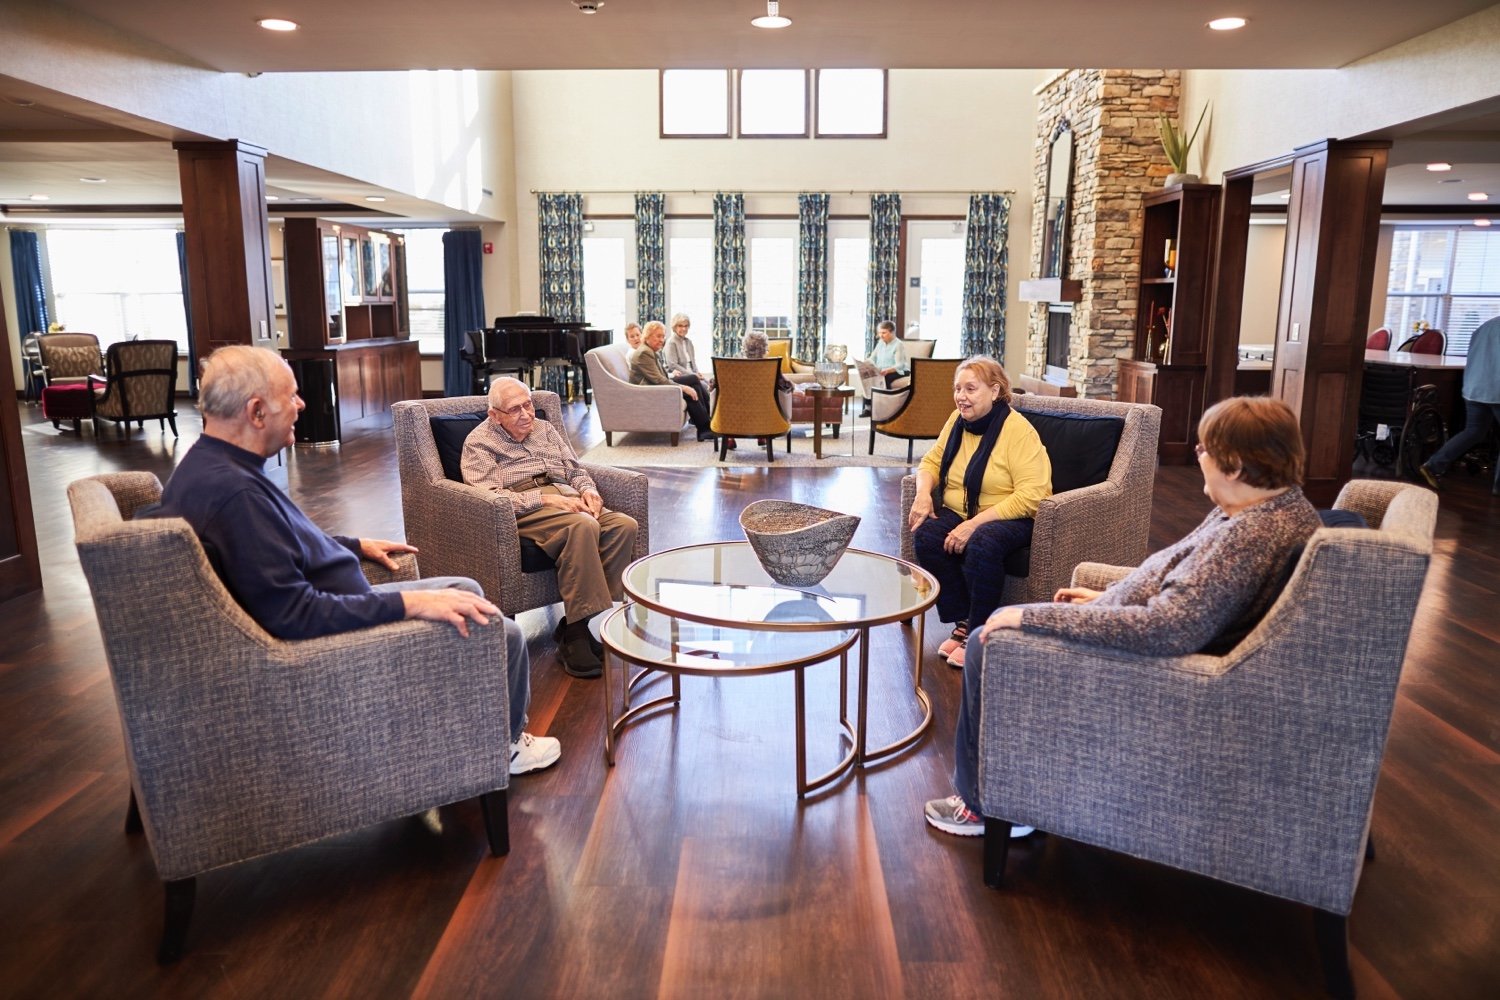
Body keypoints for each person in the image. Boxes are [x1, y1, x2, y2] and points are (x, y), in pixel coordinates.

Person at [923, 396, 1322, 839]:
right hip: (1129, 621)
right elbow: (1178, 582)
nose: (1199, 458)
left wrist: (1034, 620)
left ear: (1234, 464)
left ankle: (981, 804)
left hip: (1145, 663)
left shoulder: (1249, 538)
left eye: (1204, 450)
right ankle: (1025, 786)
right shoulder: (1260, 510)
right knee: (999, 627)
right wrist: (1106, 595)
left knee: (985, 642)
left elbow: (1165, 627)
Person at [154, 346, 558, 776]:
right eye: (291, 396)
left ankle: (463, 729)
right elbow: (296, 613)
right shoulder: (235, 495)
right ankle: (502, 746)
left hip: (340, 601)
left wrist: (350, 545)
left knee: (467, 590)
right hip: (336, 640)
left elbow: (275, 544)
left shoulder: (215, 466)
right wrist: (410, 605)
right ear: (256, 412)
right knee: (505, 634)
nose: (301, 404)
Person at [462, 377, 639, 678]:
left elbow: (574, 469)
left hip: (567, 496)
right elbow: (488, 496)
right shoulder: (478, 443)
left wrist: (588, 491)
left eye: (528, 404)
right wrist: (545, 500)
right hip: (524, 504)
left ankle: (580, 625)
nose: (526, 414)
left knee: (623, 525)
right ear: (495, 415)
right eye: (515, 409)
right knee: (582, 527)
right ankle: (580, 639)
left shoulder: (545, 429)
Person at [908, 357, 1052, 671]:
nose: (962, 396)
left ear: (995, 390)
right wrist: (922, 495)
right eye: (958, 388)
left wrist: (973, 524)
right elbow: (931, 462)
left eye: (971, 389)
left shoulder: (1017, 431)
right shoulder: (957, 422)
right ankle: (963, 619)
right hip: (962, 510)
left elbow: (1033, 495)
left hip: (1010, 516)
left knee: (982, 543)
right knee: (928, 536)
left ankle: (980, 633)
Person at [1421, 315, 1500, 495]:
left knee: (1473, 432)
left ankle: (1433, 465)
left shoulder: (1486, 326)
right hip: (1496, 390)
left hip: (1474, 387)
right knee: (1475, 432)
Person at [630, 320, 715, 441]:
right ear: (647, 336)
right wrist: (683, 387)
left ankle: (706, 426)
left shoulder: (649, 350)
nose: (661, 340)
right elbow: (659, 380)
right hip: (647, 392)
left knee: (694, 379)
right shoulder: (644, 353)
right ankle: (706, 427)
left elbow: (660, 375)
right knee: (690, 388)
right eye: (658, 336)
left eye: (663, 336)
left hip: (654, 385)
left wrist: (681, 383)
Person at [858, 321, 910, 416]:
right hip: (882, 370)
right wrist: (864, 364)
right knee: (867, 378)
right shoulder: (880, 343)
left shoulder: (898, 344)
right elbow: (872, 358)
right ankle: (868, 408)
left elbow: (900, 364)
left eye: (884, 333)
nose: (881, 335)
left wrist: (888, 370)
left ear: (892, 332)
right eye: (879, 332)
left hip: (898, 370)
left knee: (884, 378)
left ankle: (885, 408)